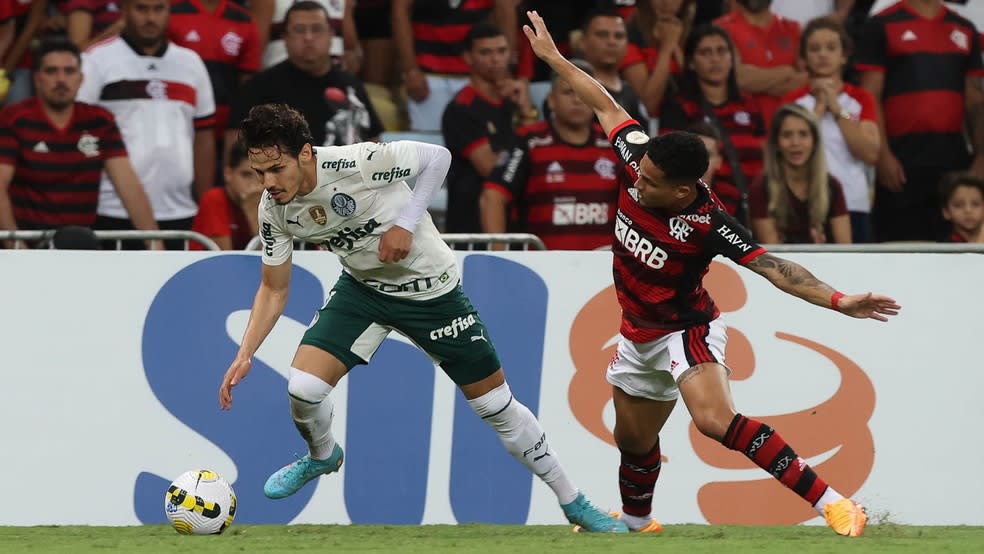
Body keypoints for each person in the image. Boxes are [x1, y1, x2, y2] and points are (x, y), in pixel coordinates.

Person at [524, 9, 899, 536]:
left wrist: (839, 300)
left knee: (712, 421)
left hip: (686, 329)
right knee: (632, 441)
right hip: (638, 332)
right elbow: (605, 105)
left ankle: (833, 502)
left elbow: (775, 268)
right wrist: (556, 60)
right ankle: (637, 525)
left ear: (681, 190)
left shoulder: (708, 222)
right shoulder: (639, 160)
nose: (635, 184)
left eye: (649, 182)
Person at [217, 102, 628, 534]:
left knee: (496, 407)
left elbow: (438, 158)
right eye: (259, 172)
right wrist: (246, 353)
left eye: (276, 169)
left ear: (305, 153)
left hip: (431, 294)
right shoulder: (274, 210)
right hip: (364, 292)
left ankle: (575, 504)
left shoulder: (357, 162)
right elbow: (274, 287)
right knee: (302, 388)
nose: (267, 183)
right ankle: (323, 456)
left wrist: (406, 225)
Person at [77, 0, 217, 250]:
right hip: (112, 209)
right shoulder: (96, 60)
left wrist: (203, 199)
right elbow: (80, 131)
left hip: (180, 209)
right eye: (142, 8)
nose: (150, 17)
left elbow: (204, 135)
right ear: (125, 11)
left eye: (158, 9)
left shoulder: (191, 63)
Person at [0, 37, 160, 249]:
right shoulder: (14, 119)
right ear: (37, 78)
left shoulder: (100, 121)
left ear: (81, 78)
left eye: (69, 71)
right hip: (28, 248)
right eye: (51, 71)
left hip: (81, 249)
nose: (61, 79)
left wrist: (156, 244)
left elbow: (129, 186)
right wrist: (16, 246)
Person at [857, 0, 984, 241]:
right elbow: (869, 95)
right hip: (901, 159)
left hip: (953, 158)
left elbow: (975, 100)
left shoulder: (965, 28)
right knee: (899, 248)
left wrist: (982, 155)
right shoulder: (882, 24)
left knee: (957, 252)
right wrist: (883, 156)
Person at [481, 61, 621, 250]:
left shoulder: (614, 143)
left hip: (604, 268)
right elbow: (493, 196)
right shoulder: (529, 141)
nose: (577, 100)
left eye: (584, 93)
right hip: (543, 269)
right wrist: (498, 256)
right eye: (568, 92)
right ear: (551, 100)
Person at [226, 1, 383, 163]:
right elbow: (235, 151)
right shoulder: (259, 88)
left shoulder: (352, 86)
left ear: (331, 35)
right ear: (285, 37)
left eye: (316, 29)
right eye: (299, 30)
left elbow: (374, 143)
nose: (308, 37)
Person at [782, 16, 879, 243]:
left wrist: (836, 108)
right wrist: (818, 109)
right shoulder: (792, 101)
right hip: (804, 203)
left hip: (853, 201)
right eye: (815, 49)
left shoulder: (861, 98)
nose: (823, 54)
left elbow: (870, 153)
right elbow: (786, 151)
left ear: (844, 55)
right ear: (805, 57)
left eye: (831, 47)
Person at [658, 24, 766, 223]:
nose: (715, 59)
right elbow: (668, 164)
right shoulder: (679, 107)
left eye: (721, 51)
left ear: (732, 59)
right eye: (705, 52)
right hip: (703, 213)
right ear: (690, 62)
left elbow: (764, 155)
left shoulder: (749, 104)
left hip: (756, 209)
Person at [442, 22, 536, 235]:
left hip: (513, 216)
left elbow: (536, 149)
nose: (496, 59)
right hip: (471, 223)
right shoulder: (462, 108)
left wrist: (525, 110)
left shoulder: (512, 102)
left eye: (501, 51)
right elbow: (490, 168)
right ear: (468, 57)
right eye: (486, 52)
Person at [749, 103, 852, 244]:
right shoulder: (761, 187)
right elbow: (771, 253)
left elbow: (845, 249)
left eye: (803, 134)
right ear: (776, 143)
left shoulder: (832, 186)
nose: (795, 142)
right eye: (787, 135)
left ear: (814, 140)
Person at [190, 141, 262, 250]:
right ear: (228, 174)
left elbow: (270, 259)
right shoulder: (214, 199)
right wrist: (252, 211)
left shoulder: (269, 201)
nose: (254, 184)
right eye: (246, 175)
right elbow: (225, 257)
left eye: (260, 175)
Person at [938, 172, 984, 243]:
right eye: (958, 205)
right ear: (946, 212)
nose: (968, 210)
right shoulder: (945, 248)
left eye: (975, 204)